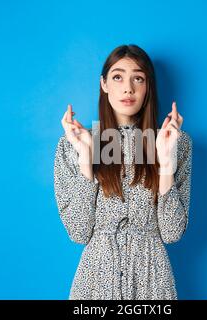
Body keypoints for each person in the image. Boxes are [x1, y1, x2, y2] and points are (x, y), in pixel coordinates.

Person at [54, 44, 193, 299]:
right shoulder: (74, 143)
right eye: (118, 77)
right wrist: (87, 157)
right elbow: (79, 231)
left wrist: (165, 159)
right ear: (104, 83)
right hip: (96, 283)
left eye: (137, 78)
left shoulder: (175, 142)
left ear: (147, 86)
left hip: (153, 281)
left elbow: (172, 233)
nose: (128, 88)